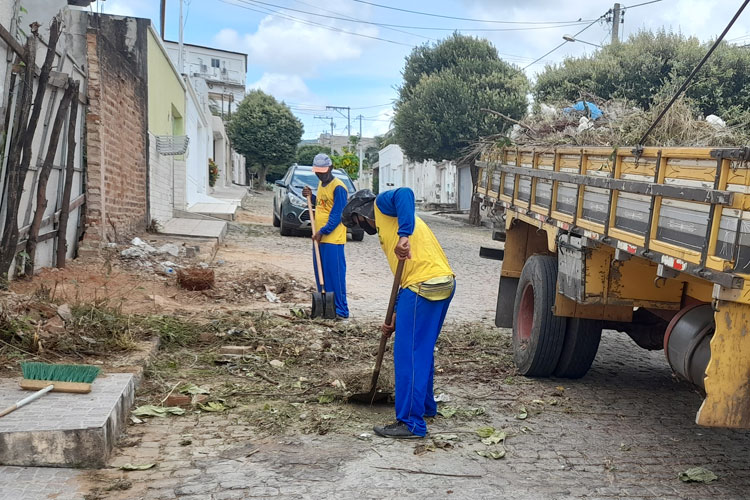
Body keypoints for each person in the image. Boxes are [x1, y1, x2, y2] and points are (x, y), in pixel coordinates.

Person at [342, 188, 455, 438]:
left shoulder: (382, 206)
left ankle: (411, 423)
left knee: (409, 355)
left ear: (360, 213)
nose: (360, 227)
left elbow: (405, 193)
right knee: (421, 350)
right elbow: (404, 274)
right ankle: (425, 407)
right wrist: (395, 312)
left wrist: (405, 235)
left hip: (423, 286)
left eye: (356, 222)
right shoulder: (386, 227)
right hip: (438, 282)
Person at [302, 153, 349, 320]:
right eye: (317, 171)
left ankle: (341, 311)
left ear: (331, 168)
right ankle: (326, 308)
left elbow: (337, 214)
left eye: (323, 171)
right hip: (320, 238)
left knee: (335, 276)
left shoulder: (339, 187)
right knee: (321, 274)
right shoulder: (322, 184)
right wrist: (310, 196)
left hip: (333, 240)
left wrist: (323, 231)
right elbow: (322, 205)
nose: (320, 174)